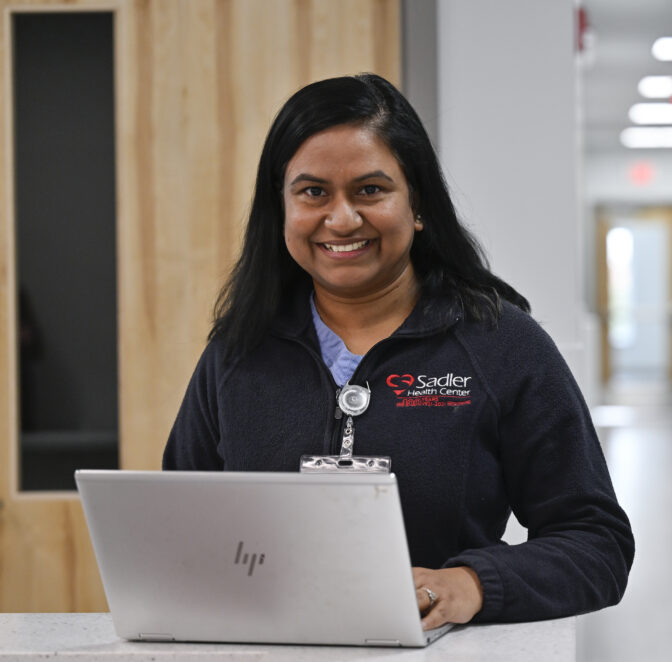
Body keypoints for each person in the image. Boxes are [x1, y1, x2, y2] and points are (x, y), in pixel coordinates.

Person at [163, 74, 634, 629]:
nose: (341, 219)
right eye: (313, 192)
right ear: (281, 209)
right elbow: (176, 530)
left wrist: (474, 582)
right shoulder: (236, 352)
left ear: (417, 205)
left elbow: (597, 543)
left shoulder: (501, 344)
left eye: (370, 190)